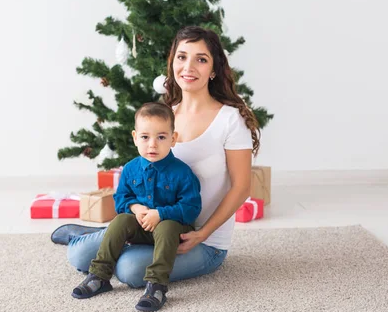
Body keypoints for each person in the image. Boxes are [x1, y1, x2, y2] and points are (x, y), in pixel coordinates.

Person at [52, 25, 259, 291]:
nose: (189, 67)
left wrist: (202, 233)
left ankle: (101, 239)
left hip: (205, 241)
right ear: (173, 63)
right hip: (151, 227)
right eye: (182, 57)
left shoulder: (230, 120)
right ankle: (97, 237)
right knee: (78, 256)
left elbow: (242, 187)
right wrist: (138, 214)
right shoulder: (164, 115)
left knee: (130, 270)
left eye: (201, 59)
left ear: (214, 70)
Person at [70, 102, 201, 312]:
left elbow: (191, 207)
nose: (152, 145)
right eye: (145, 137)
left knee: (167, 226)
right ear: (134, 137)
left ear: (173, 138)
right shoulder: (130, 169)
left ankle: (156, 285)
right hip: (142, 229)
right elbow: (121, 198)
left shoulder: (182, 172)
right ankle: (100, 275)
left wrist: (161, 213)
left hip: (172, 232)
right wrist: (135, 207)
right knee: (121, 220)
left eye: (161, 137)